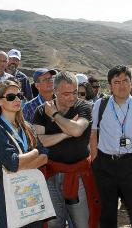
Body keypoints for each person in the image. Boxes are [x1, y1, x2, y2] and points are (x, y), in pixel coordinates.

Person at [33, 71, 100, 228]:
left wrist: (55, 115)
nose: (72, 97)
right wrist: (65, 133)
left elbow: (77, 131)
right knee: (54, 222)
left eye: (75, 92)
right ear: (55, 91)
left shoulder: (83, 106)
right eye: (66, 94)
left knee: (83, 222)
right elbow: (41, 141)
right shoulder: (41, 111)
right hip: (50, 174)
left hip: (79, 176)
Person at [90, 65, 132, 228]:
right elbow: (94, 133)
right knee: (107, 211)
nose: (122, 85)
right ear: (110, 86)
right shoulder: (100, 105)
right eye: (117, 82)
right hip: (105, 164)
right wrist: (95, 161)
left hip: (130, 164)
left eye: (125, 81)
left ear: (131, 84)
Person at [0, 80, 48, 227]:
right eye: (11, 97)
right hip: (9, 195)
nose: (17, 100)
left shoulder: (27, 126)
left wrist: (21, 162)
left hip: (31, 192)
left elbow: (45, 157)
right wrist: (34, 153)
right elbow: (13, 163)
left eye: (19, 95)